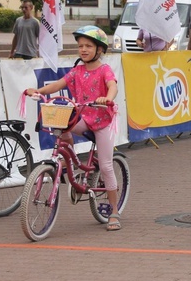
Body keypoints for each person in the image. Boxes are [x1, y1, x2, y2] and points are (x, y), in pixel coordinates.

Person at [25, 26, 121, 231]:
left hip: (102, 119)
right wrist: (38, 91)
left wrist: (108, 98)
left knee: (105, 165)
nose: (83, 49)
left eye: (88, 46)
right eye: (80, 46)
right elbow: (57, 85)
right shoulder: (77, 71)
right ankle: (71, 164)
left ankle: (114, 211)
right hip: (84, 116)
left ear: (100, 50)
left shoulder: (104, 70)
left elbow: (112, 85)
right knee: (62, 127)